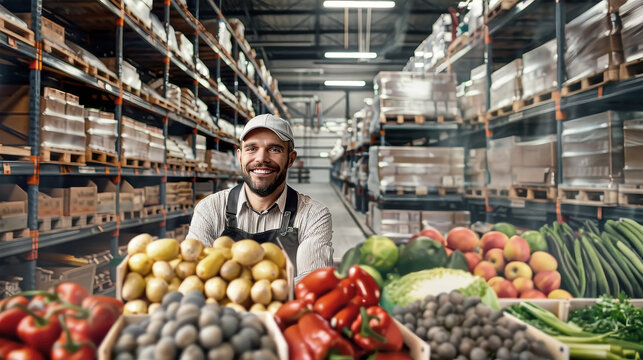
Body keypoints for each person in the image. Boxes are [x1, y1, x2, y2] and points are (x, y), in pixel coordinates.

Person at [186, 114, 333, 281]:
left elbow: (312, 283)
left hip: (286, 307)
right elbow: (194, 273)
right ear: (240, 156)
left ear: (291, 158)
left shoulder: (313, 215)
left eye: (274, 149)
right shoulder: (210, 208)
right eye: (252, 148)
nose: (262, 158)